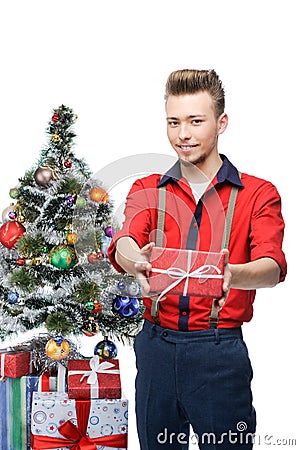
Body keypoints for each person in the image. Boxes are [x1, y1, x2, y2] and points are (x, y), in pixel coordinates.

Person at [108, 69, 287, 449]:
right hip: (155, 350)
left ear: (221, 122)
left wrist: (231, 274)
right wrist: (133, 260)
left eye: (195, 121)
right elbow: (125, 240)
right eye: (174, 122)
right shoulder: (147, 188)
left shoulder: (258, 194)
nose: (183, 134)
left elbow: (272, 267)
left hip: (218, 355)